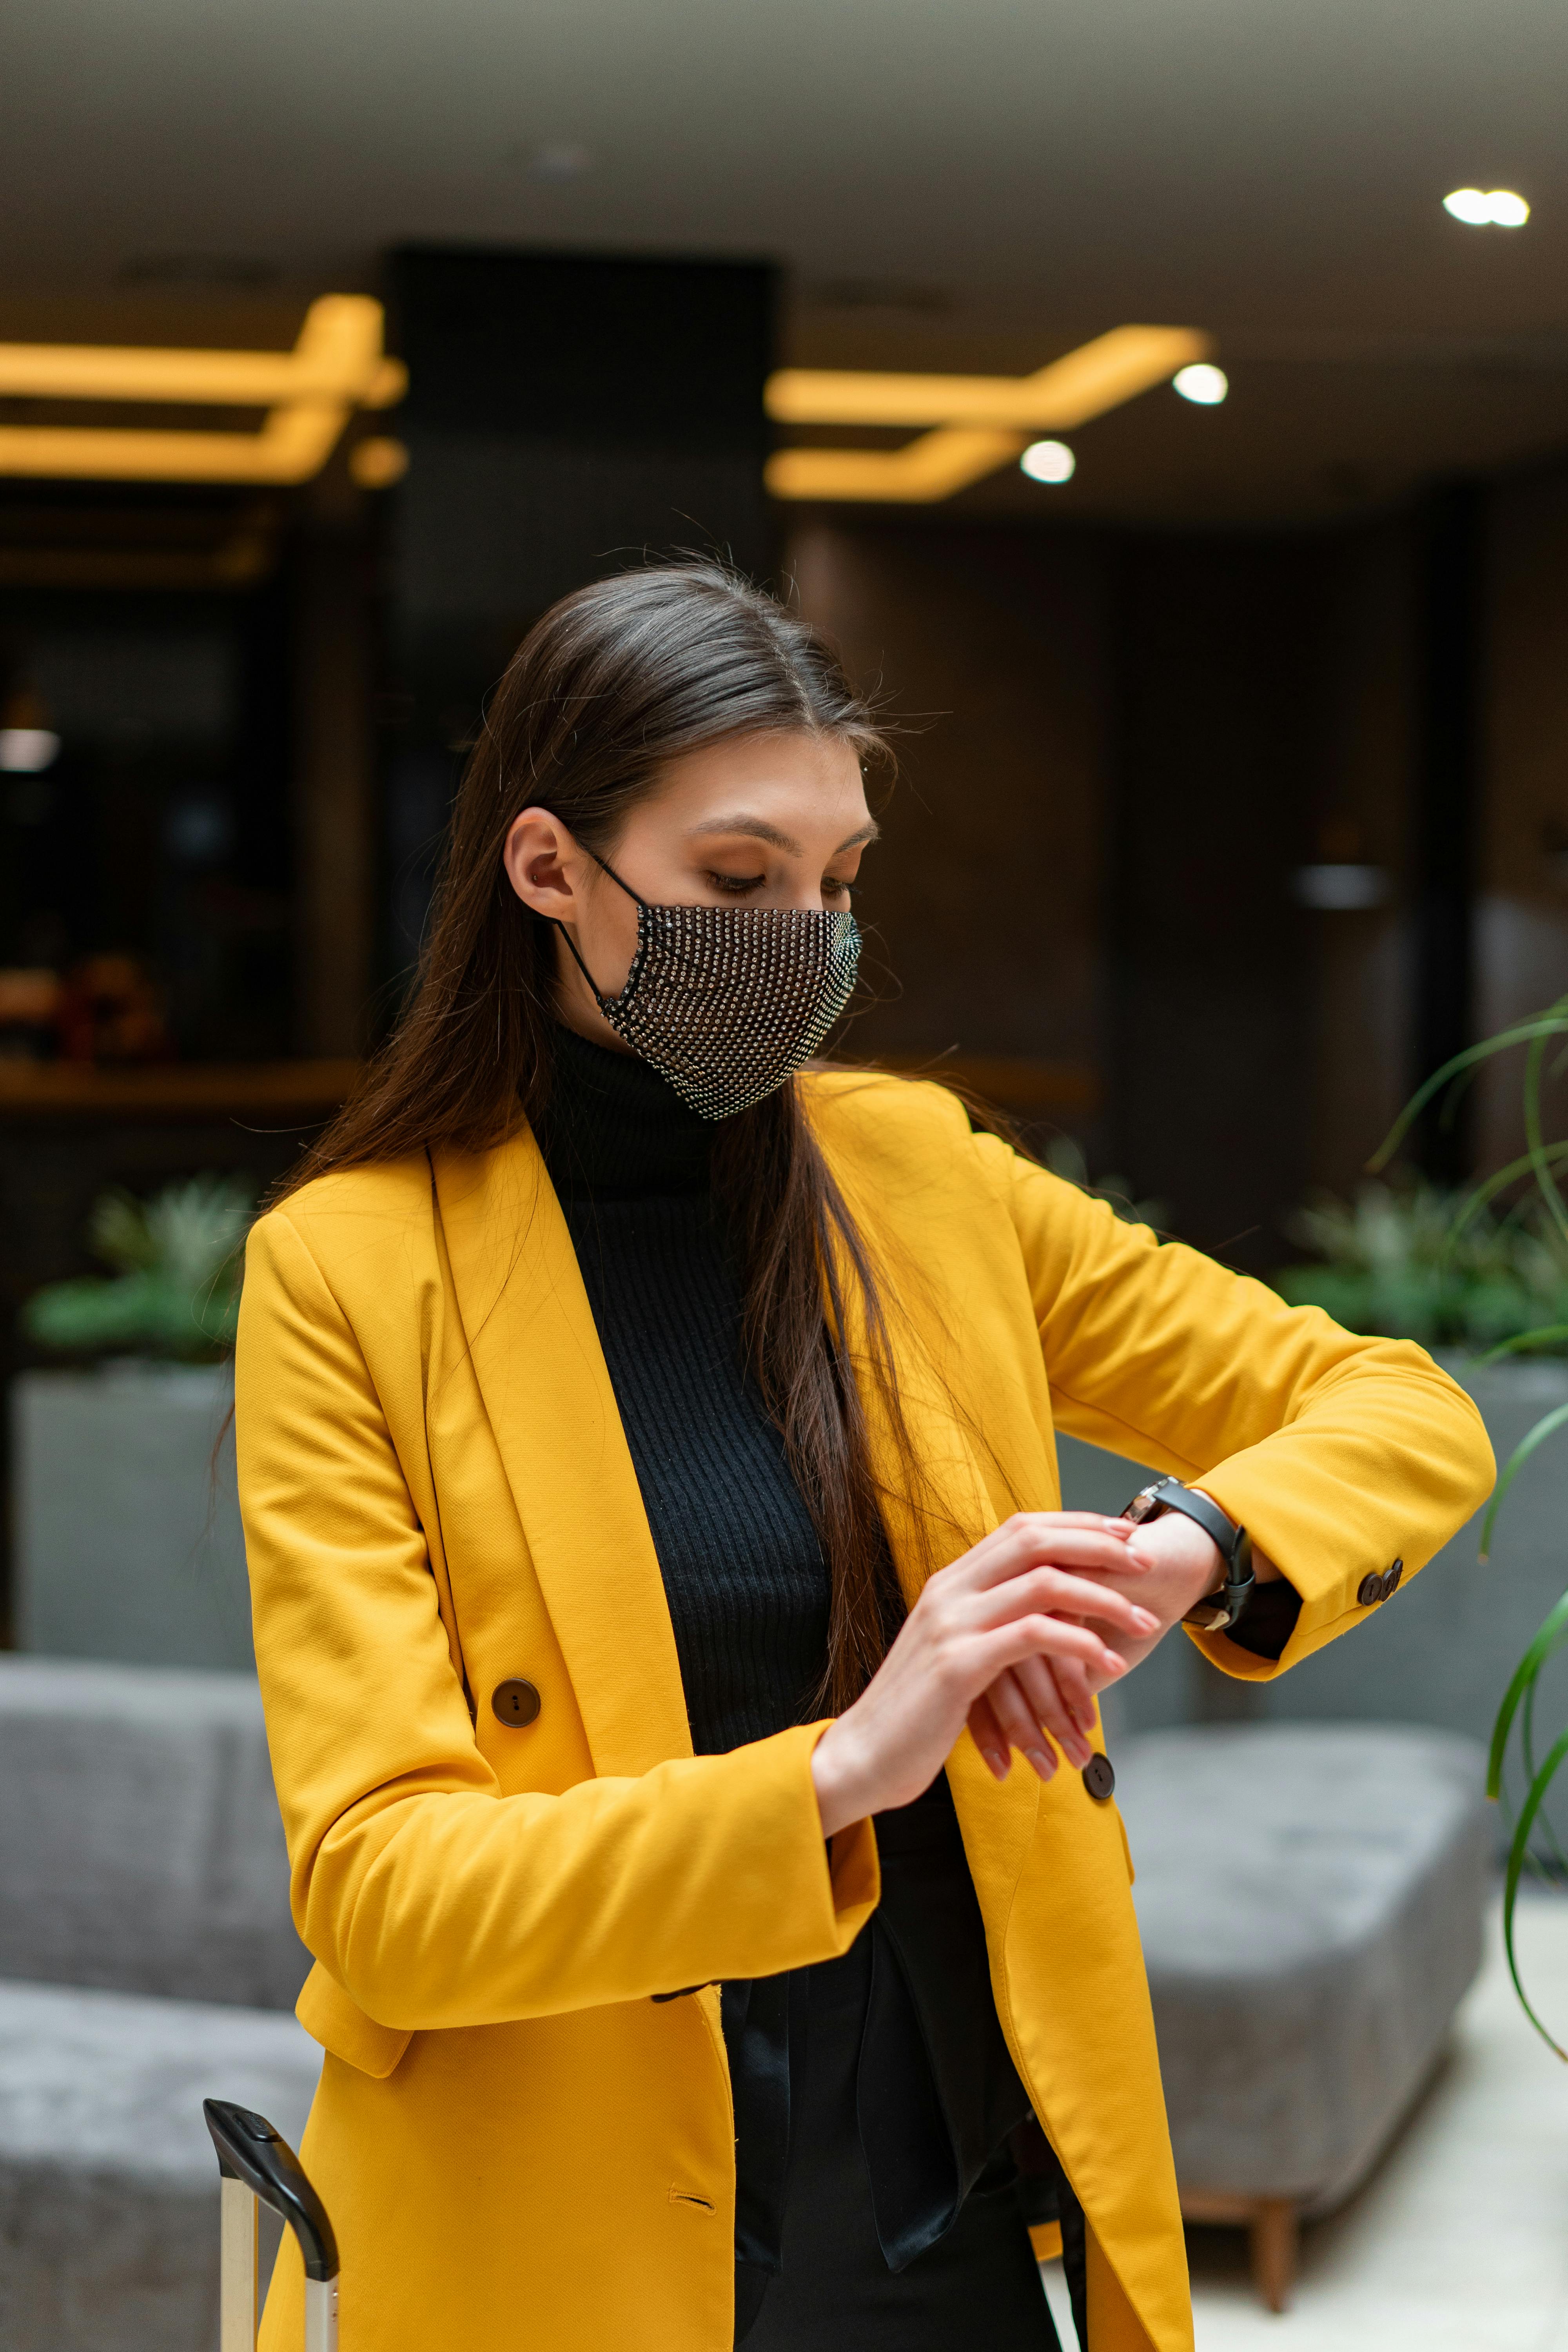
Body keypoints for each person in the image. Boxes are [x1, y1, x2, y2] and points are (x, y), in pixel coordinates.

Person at [236, 564, 1492, 2352]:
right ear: (545, 869)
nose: (805, 938)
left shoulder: (919, 1176)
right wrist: (840, 1766)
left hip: (944, 2178)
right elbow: (386, 1899)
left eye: (837, 883)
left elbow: (1395, 1406)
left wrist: (1187, 1544)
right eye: (736, 882)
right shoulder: (351, 1272)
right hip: (560, 2213)